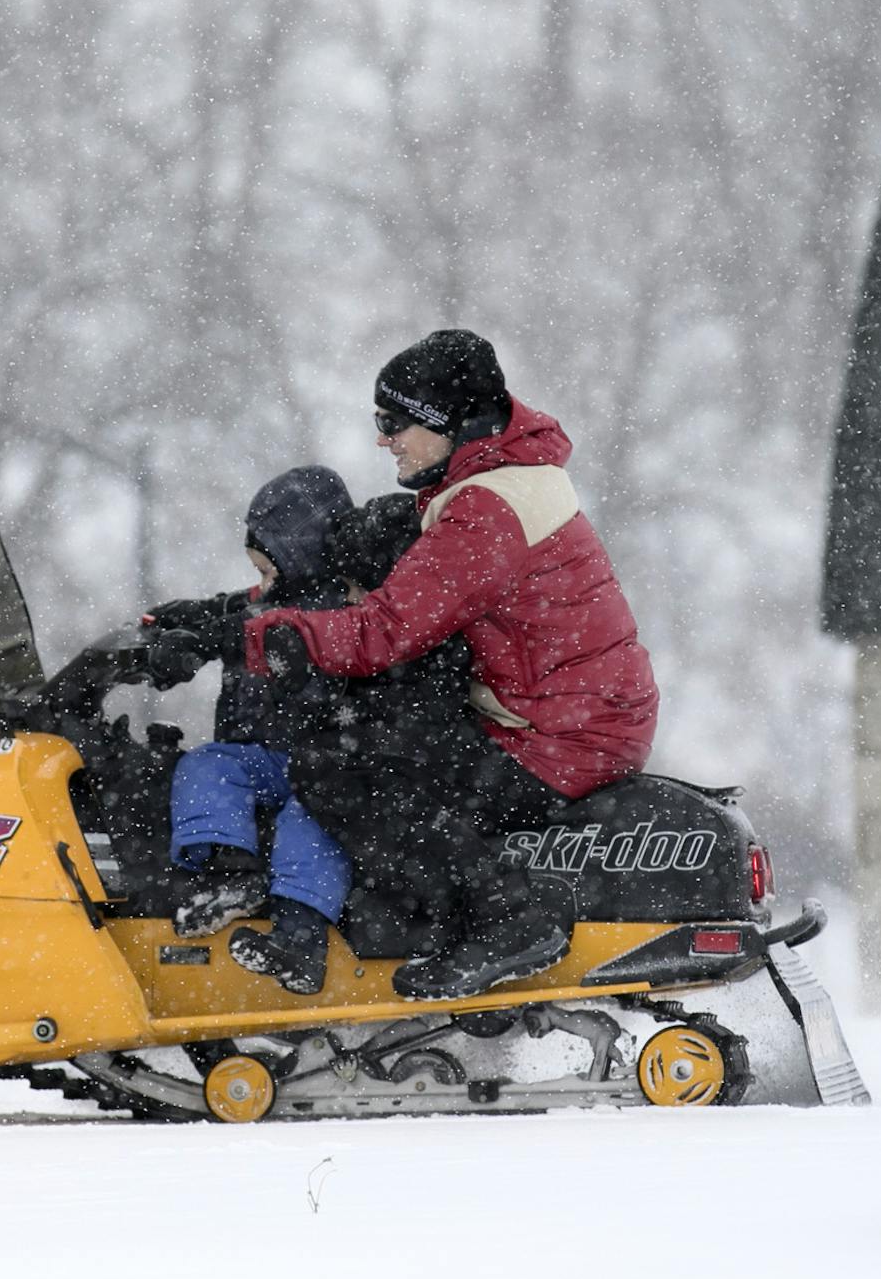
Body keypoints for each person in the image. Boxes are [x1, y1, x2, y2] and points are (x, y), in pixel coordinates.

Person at [243, 329, 659, 999]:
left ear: (449, 424)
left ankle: (506, 916)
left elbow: (385, 631)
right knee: (392, 733)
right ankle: (458, 914)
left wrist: (276, 635)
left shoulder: (483, 511)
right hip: (580, 718)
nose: (386, 440)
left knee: (337, 762)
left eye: (395, 422)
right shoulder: (511, 475)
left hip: (557, 740)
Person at [142, 466, 356, 995]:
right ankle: (229, 875)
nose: (259, 584)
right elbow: (228, 610)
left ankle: (300, 937)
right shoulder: (260, 602)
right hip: (262, 757)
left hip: (329, 763)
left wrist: (207, 639)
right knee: (207, 763)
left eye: (268, 571)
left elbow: (261, 633)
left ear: (300, 557)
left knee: (314, 818)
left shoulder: (339, 612)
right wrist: (167, 622)